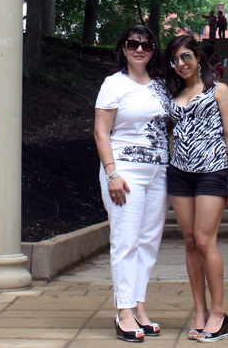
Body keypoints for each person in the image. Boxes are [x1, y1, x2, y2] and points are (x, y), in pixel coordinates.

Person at [164, 35, 228, 343]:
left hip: (213, 172)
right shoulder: (175, 94)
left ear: (198, 58)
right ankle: (199, 311)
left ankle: (218, 313)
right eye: (175, 60)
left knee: (204, 240)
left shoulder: (218, 90)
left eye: (186, 57)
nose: (181, 64)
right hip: (180, 173)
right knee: (188, 242)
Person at [94, 25, 169, 343]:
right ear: (123, 48)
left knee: (148, 241)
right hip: (125, 173)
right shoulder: (114, 84)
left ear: (154, 50)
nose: (140, 49)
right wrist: (111, 173)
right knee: (125, 240)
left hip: (158, 173)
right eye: (132, 44)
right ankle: (123, 310)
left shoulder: (162, 85)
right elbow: (101, 131)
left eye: (147, 44)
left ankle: (138, 306)